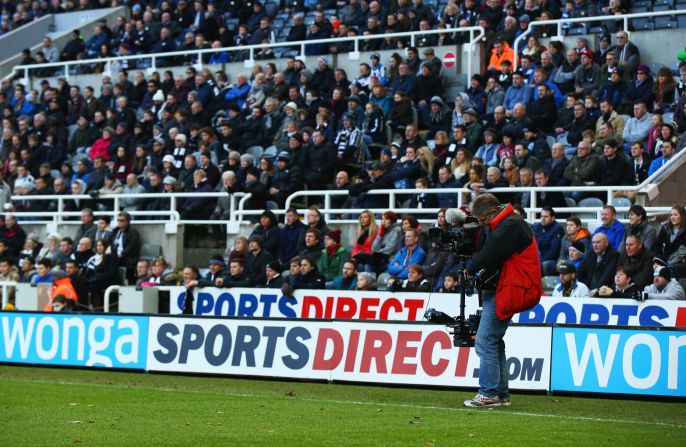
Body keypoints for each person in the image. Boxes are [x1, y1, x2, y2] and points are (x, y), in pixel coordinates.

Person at [464, 193, 542, 408]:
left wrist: (469, 269)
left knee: (485, 340)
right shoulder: (510, 222)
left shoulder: (511, 224)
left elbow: (491, 252)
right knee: (494, 342)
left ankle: (488, 392)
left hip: (509, 287)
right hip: (505, 286)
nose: (482, 224)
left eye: (482, 220)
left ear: (491, 211)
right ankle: (500, 393)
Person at [111, 211, 142, 284]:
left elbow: (132, 246)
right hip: (116, 256)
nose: (119, 222)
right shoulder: (115, 231)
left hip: (128, 257)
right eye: (118, 220)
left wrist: (122, 253)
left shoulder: (133, 232)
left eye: (122, 220)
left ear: (128, 221)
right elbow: (111, 244)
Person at [533, 207, 565, 276]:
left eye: (546, 216)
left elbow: (554, 251)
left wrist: (539, 260)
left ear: (553, 218)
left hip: (551, 259)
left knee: (543, 264)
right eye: (541, 216)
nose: (543, 219)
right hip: (537, 256)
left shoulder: (558, 228)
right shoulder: (536, 226)